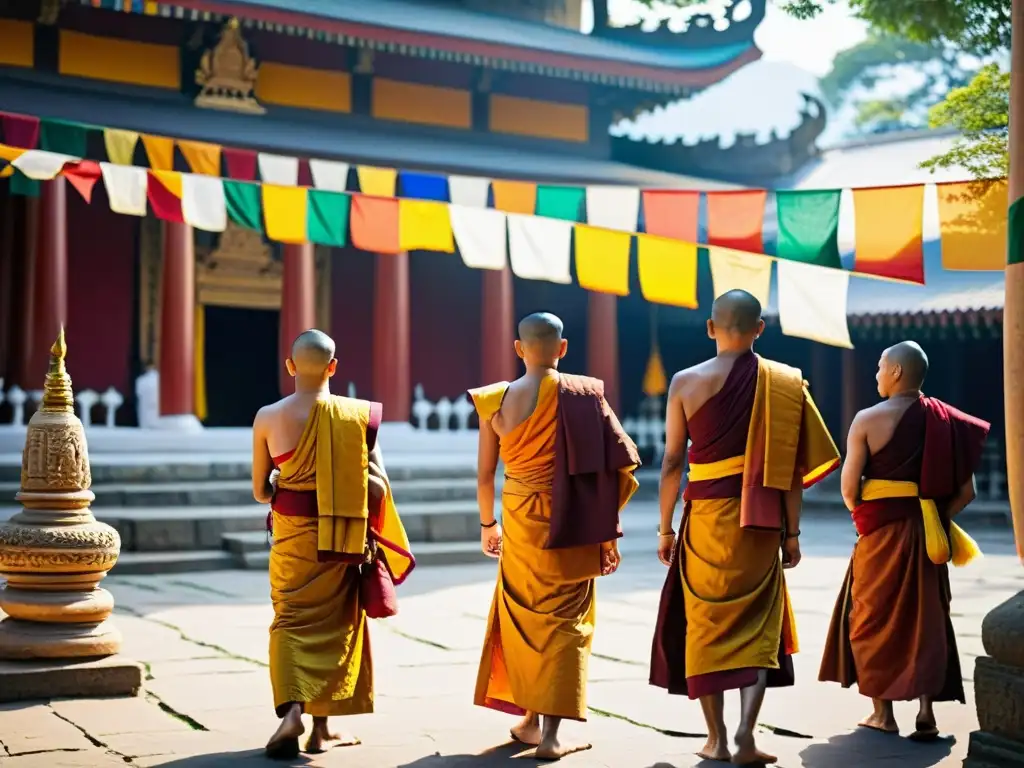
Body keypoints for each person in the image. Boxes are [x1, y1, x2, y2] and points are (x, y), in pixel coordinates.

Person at [649, 290, 840, 765]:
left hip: (706, 522)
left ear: (711, 328)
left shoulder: (684, 383)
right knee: (757, 625)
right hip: (760, 524)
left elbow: (673, 461)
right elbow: (793, 471)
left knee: (706, 625)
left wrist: (665, 528)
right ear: (759, 328)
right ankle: (746, 736)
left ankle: (714, 739)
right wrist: (792, 533)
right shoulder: (786, 383)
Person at [468, 312, 640, 760]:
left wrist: (488, 524)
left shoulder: (495, 402)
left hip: (519, 519)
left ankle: (529, 718)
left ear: (518, 348)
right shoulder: (584, 395)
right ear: (562, 349)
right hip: (573, 521)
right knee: (565, 621)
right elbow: (613, 469)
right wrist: (608, 536)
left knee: (523, 615)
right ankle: (547, 734)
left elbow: (486, 474)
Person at [251, 329, 415, 759]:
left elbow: (260, 492)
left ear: (289, 366)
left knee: (290, 620)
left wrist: (281, 483)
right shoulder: (356, 417)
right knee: (338, 625)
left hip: (292, 536)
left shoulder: (268, 416)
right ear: (334, 367)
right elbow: (380, 483)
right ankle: (321, 729)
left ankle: (293, 714)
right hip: (342, 537)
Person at [819, 341, 989, 740]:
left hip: (880, 536)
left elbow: (848, 489)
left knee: (871, 618)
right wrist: (932, 516)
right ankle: (926, 712)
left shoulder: (865, 420)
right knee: (926, 619)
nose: (875, 374)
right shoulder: (946, 420)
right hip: (927, 536)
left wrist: (870, 517)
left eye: (880, 367)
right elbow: (968, 493)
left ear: (896, 372)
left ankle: (883, 714)